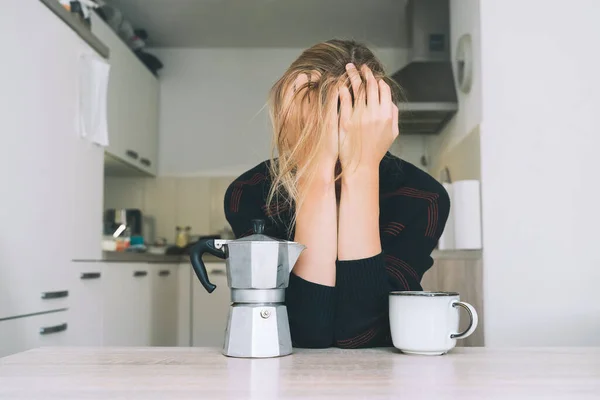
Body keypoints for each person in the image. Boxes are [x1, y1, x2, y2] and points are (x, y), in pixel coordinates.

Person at [224, 39, 450, 348]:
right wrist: (315, 174)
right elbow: (306, 333)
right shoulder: (249, 193)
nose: (325, 139)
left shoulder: (423, 197)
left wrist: (362, 169)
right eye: (312, 128)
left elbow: (361, 333)